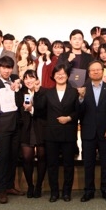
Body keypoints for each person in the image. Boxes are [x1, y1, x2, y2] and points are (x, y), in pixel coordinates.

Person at [33, 63, 79, 202]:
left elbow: (79, 111)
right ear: (53, 76)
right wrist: (36, 92)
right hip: (51, 133)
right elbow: (39, 110)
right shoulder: (47, 92)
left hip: (68, 132)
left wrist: (69, 118)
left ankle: (66, 192)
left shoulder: (74, 92)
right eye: (57, 74)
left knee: (68, 164)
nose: (60, 76)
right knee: (52, 164)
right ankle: (54, 192)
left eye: (63, 73)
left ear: (68, 76)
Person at [77, 60, 106, 202]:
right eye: (92, 70)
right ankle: (89, 191)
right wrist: (81, 98)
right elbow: (79, 112)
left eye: (98, 69)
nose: (95, 72)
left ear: (103, 71)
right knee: (88, 163)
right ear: (89, 73)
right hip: (88, 131)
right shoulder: (83, 89)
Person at [0, 55, 24, 204]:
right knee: (3, 158)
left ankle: (10, 186)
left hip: (16, 124)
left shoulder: (15, 79)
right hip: (2, 125)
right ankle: (2, 190)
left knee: (13, 156)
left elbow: (20, 102)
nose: (6, 71)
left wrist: (18, 88)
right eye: (3, 68)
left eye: (9, 68)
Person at [17, 70, 46, 198]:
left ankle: (39, 186)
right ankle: (30, 186)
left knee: (42, 157)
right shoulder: (20, 93)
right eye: (26, 78)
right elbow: (18, 111)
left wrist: (32, 109)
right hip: (26, 129)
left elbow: (45, 111)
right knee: (27, 158)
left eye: (31, 78)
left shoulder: (43, 92)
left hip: (41, 128)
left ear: (37, 79)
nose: (28, 81)